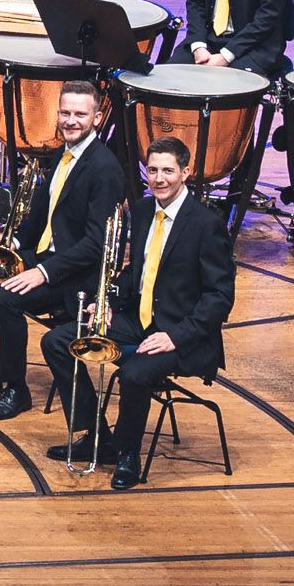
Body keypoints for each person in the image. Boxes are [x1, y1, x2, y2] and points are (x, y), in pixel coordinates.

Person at [0, 79, 126, 423]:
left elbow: (97, 244)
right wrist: (13, 245)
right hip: (42, 258)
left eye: (80, 114)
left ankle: (15, 388)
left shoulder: (105, 168)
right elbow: (40, 216)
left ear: (97, 118)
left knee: (8, 297)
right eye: (65, 112)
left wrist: (42, 272)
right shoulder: (61, 153)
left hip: (74, 275)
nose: (70, 120)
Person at [49, 136, 235, 490]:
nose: (159, 178)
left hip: (183, 335)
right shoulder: (142, 210)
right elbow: (136, 274)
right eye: (152, 170)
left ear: (186, 172)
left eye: (168, 170)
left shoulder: (206, 224)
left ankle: (128, 454)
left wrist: (174, 336)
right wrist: (107, 302)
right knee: (58, 341)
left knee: (134, 373)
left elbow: (220, 297)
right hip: (140, 320)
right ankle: (98, 437)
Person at [186, 0, 294, 209]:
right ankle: (182, 179)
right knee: (162, 83)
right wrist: (199, 45)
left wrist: (226, 56)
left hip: (253, 47)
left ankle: (236, 195)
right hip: (210, 43)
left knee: (237, 102)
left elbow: (268, 15)